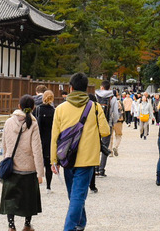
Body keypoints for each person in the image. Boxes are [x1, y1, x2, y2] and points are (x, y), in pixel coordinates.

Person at [50, 72, 111, 231]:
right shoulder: (95, 107)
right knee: (77, 195)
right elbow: (105, 131)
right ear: (85, 89)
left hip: (66, 157)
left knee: (74, 195)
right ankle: (76, 225)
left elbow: (54, 137)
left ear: (70, 88)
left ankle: (76, 225)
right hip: (87, 158)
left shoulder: (60, 108)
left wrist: (53, 160)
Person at [0, 94, 44, 231]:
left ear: (19, 106)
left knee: (10, 198)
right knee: (28, 198)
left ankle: (11, 226)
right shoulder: (33, 124)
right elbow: (37, 149)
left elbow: (4, 144)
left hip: (12, 166)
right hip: (28, 168)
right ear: (33, 107)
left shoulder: (8, 122)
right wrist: (40, 172)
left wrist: (5, 159)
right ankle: (27, 224)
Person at [95, 80, 120, 177]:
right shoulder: (112, 98)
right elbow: (116, 113)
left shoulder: (96, 96)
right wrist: (113, 122)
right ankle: (102, 169)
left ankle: (95, 168)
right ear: (109, 88)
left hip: (95, 125)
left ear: (101, 87)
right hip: (107, 124)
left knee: (95, 146)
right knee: (105, 146)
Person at [33, 89, 56, 193]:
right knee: (48, 164)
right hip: (50, 139)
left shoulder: (37, 110)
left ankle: (37, 181)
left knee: (37, 161)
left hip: (39, 138)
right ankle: (48, 187)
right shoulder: (54, 111)